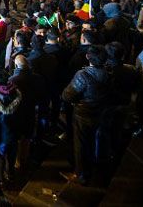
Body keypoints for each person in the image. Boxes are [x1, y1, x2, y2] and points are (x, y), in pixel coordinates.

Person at [61, 45, 111, 186]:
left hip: (83, 113)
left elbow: (67, 95)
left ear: (88, 57)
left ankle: (81, 173)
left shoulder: (82, 75)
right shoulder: (108, 72)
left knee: (81, 143)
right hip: (100, 110)